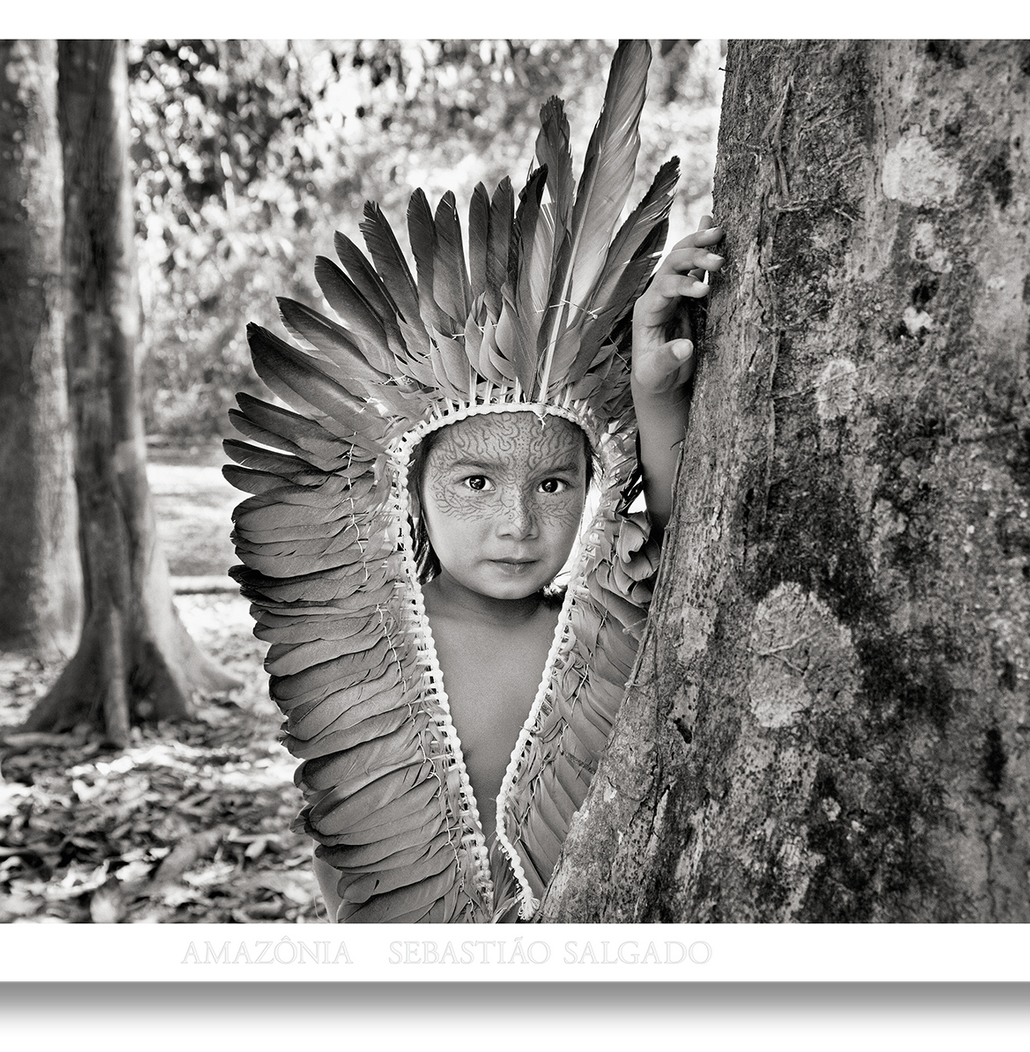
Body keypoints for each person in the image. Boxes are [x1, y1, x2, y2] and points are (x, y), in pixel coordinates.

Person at [228, 41, 720, 922]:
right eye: (474, 481)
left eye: (553, 486)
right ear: (404, 489)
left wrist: (652, 391)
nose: (517, 524)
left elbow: (697, 546)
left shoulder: (601, 627)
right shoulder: (357, 630)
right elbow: (350, 840)